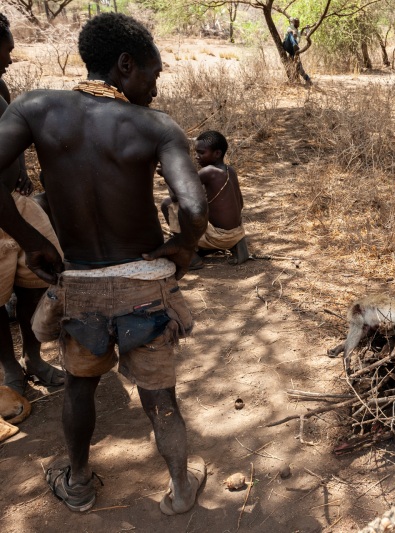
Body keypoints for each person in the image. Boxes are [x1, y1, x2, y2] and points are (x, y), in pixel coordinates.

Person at [0, 13, 209, 514]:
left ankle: (77, 482)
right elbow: (195, 208)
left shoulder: (32, 107)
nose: (155, 89)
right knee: (160, 396)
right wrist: (182, 247)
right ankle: (181, 490)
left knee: (79, 386)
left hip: (82, 287)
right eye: (152, 76)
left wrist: (30, 239)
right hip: (144, 286)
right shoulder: (154, 125)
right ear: (125, 64)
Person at [0, 12, 65, 394]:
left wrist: (21, 169)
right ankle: (10, 369)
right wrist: (27, 238)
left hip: (15, 201)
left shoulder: (0, 87)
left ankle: (33, 356)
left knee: (39, 277)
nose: (10, 59)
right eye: (5, 50)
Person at [161, 130, 248, 268]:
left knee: (167, 204)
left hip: (219, 237)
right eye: (196, 153)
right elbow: (241, 203)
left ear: (217, 153)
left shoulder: (208, 172)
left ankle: (190, 256)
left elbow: (175, 196)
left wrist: (168, 174)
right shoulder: (230, 170)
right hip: (237, 232)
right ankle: (235, 243)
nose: (196, 156)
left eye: (201, 153)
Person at [283, 17, 312, 85]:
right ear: (293, 23)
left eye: (298, 22)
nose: (297, 23)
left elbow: (306, 34)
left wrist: (307, 29)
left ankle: (307, 79)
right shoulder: (290, 27)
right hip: (287, 45)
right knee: (290, 34)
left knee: (299, 66)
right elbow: (290, 30)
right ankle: (295, 45)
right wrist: (293, 32)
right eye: (295, 22)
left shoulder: (299, 32)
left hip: (293, 51)